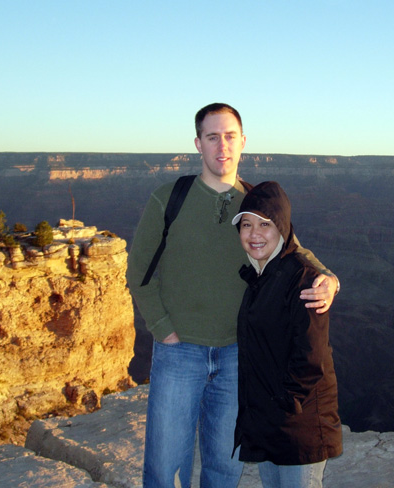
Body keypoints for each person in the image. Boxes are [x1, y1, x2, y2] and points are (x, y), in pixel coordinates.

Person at [127, 103, 340, 488]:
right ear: (198, 144)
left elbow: (293, 250)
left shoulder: (256, 202)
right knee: (164, 466)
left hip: (238, 356)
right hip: (180, 352)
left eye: (229, 136)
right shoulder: (168, 198)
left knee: (225, 467)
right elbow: (138, 274)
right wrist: (163, 330)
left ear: (243, 142)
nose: (221, 146)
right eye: (212, 137)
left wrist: (328, 277)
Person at [232, 181, 342, 488]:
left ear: (282, 228)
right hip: (272, 422)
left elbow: (312, 359)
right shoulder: (262, 275)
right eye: (246, 224)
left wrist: (284, 406)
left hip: (297, 427)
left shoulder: (304, 279)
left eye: (264, 224)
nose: (254, 234)